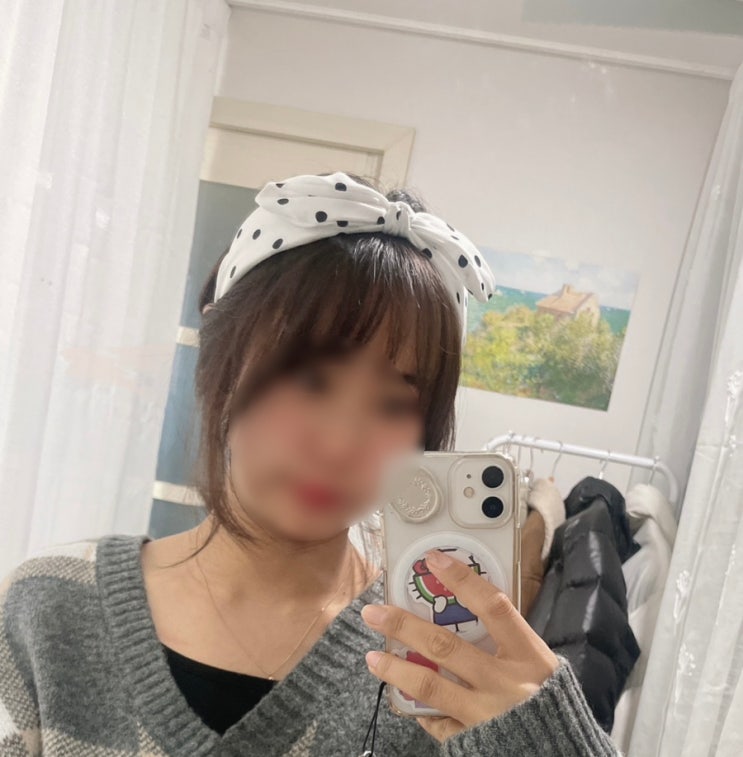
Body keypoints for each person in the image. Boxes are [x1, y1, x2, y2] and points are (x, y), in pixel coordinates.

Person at [0, 172, 620, 756]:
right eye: (311, 381)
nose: (341, 444)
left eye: (393, 403)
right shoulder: (51, 609)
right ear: (219, 365)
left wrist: (549, 741)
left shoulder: (434, 667)